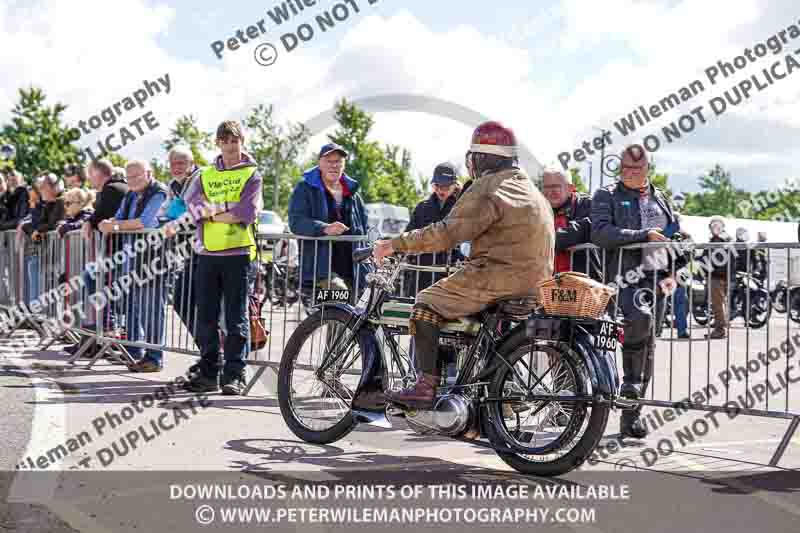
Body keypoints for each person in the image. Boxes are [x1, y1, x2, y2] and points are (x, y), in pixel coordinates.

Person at [373, 121, 554, 407]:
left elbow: (447, 233)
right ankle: (490, 394)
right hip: (535, 283)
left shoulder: (488, 186)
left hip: (497, 277)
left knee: (426, 303)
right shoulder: (530, 189)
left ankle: (425, 386)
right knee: (467, 323)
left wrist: (394, 244)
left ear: (481, 157)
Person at [591, 144, 681, 439]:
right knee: (637, 328)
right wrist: (644, 235)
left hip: (658, 281)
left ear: (648, 169)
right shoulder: (607, 195)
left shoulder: (661, 198)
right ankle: (619, 396)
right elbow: (601, 233)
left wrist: (676, 265)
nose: (630, 173)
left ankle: (632, 415)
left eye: (637, 168)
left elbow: (674, 233)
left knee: (649, 348)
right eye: (625, 167)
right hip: (624, 278)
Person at [183, 120, 262, 395]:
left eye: (234, 140)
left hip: (239, 253)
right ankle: (208, 373)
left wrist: (211, 211)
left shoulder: (252, 174)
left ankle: (234, 375)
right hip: (207, 253)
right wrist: (223, 209)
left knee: (235, 318)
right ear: (217, 142)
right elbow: (191, 207)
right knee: (205, 316)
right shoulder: (205, 175)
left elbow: (246, 213)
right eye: (224, 140)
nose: (230, 145)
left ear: (242, 141)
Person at [99, 160, 167, 372]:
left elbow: (144, 222)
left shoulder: (159, 192)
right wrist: (109, 223)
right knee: (133, 307)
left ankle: (154, 357)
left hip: (153, 261)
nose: (133, 181)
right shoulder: (130, 194)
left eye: (138, 176)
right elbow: (118, 217)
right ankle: (134, 351)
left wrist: (114, 226)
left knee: (151, 310)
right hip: (131, 259)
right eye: (129, 177)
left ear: (149, 173)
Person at [288, 142, 370, 302]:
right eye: (329, 161)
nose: (334, 165)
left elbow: (365, 227)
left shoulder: (353, 193)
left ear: (343, 165)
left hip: (353, 267)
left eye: (338, 161)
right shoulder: (305, 188)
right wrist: (324, 228)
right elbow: (295, 222)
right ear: (319, 163)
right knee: (340, 301)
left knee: (353, 315)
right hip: (321, 269)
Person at [403, 162, 463, 295]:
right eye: (437, 185)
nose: (441, 190)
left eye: (446, 186)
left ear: (455, 185)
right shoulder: (422, 208)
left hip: (450, 277)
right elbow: (408, 235)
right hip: (421, 275)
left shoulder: (462, 208)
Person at [160, 146, 199, 344]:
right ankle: (210, 352)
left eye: (182, 162)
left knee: (206, 307)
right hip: (188, 252)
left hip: (206, 249)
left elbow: (198, 210)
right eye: (173, 163)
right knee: (181, 302)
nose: (176, 167)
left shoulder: (199, 180)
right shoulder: (173, 185)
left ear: (192, 164)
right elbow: (164, 210)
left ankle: (217, 356)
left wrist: (175, 222)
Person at [541, 168, 600, 278]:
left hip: (585, 282)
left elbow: (586, 227)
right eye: (546, 187)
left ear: (570, 188)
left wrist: (548, 238)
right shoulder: (539, 209)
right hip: (549, 285)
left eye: (556, 186)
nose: (550, 191)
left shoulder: (587, 204)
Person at [706, 216, 732, 339]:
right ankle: (721, 327)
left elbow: (717, 260)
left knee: (718, 304)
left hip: (718, 275)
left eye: (716, 225)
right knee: (721, 303)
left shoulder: (720, 239)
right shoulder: (723, 238)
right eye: (712, 226)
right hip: (722, 275)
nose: (714, 228)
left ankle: (720, 330)